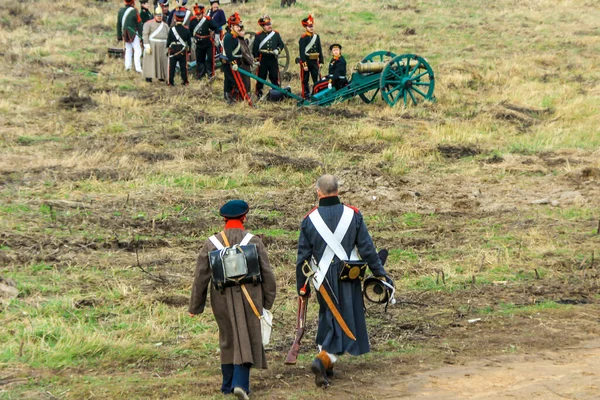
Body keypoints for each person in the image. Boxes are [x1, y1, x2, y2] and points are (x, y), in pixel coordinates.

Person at [295, 174, 389, 388]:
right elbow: (366, 248)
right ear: (338, 191)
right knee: (347, 323)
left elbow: (303, 258)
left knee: (327, 318)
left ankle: (326, 367)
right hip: (349, 276)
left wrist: (302, 287)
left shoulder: (309, 220)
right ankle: (324, 360)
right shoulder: (353, 214)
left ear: (318, 192)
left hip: (322, 279)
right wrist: (379, 272)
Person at [189, 200, 277, 400]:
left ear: (224, 220)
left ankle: (227, 385)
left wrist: (195, 306)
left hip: (221, 300)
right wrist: (267, 302)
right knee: (246, 338)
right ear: (244, 217)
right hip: (251, 299)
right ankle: (240, 385)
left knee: (227, 338)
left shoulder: (211, 243)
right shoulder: (254, 241)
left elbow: (201, 276)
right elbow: (268, 275)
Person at [222, 13, 252, 103]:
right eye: (237, 26)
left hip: (235, 62)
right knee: (234, 81)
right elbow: (229, 53)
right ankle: (231, 98)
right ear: (231, 27)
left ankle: (230, 97)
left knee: (230, 80)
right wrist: (233, 63)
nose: (239, 28)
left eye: (239, 26)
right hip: (229, 63)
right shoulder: (228, 37)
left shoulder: (234, 36)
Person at [252, 15, 285, 98]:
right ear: (263, 26)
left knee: (274, 76)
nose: (269, 26)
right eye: (267, 25)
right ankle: (259, 93)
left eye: (270, 24)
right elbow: (255, 48)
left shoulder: (276, 34)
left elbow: (281, 44)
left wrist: (278, 49)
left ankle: (276, 93)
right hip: (263, 59)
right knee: (261, 76)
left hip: (273, 59)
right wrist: (256, 60)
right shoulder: (258, 35)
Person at [189, 3, 218, 79]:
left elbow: (216, 28)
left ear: (202, 13)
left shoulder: (208, 20)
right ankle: (200, 74)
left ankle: (210, 74)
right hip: (198, 43)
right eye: (196, 15)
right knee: (199, 60)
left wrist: (216, 37)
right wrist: (192, 40)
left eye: (199, 15)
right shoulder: (192, 21)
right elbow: (190, 31)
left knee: (210, 59)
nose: (197, 17)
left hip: (208, 42)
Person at [298, 15, 323, 99]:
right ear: (306, 27)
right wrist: (304, 64)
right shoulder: (303, 38)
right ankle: (305, 94)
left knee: (316, 78)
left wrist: (321, 61)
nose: (311, 28)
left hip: (314, 61)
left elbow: (319, 49)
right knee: (305, 80)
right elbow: (302, 53)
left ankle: (315, 93)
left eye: (312, 26)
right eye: (309, 26)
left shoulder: (316, 37)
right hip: (306, 61)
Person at [142, 6, 169, 82]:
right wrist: (147, 45)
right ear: (154, 16)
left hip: (163, 45)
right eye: (158, 16)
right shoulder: (148, 24)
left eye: (160, 16)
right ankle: (148, 76)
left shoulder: (166, 26)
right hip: (152, 45)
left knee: (162, 61)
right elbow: (145, 35)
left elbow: (168, 35)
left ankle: (161, 76)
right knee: (150, 61)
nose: (159, 17)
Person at [117, 0, 143, 73]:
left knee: (128, 50)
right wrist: (141, 36)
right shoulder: (135, 11)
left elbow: (118, 24)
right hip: (134, 33)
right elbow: (139, 24)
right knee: (137, 50)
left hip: (125, 33)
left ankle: (127, 67)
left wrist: (119, 35)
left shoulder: (120, 11)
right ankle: (138, 68)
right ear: (132, 2)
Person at [166, 10, 192, 86]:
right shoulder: (186, 30)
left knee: (172, 67)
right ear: (183, 19)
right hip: (182, 50)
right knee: (183, 67)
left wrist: (167, 48)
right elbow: (189, 42)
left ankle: (170, 82)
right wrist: (189, 51)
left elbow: (169, 41)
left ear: (175, 19)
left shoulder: (172, 29)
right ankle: (185, 81)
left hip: (173, 49)